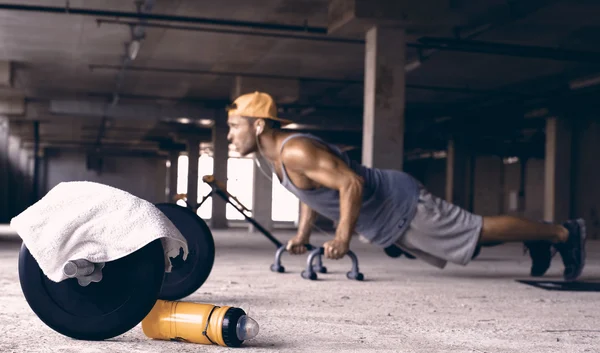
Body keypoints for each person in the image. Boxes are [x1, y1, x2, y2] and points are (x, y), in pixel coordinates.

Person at [225, 91, 586, 281]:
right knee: (473, 242)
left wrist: (342, 238)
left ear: (258, 125)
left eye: (234, 127)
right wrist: (304, 235)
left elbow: (351, 183)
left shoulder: (296, 150)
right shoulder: (277, 159)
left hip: (402, 205)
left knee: (477, 230)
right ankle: (539, 239)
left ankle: (563, 234)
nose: (229, 135)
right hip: (387, 220)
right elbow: (312, 194)